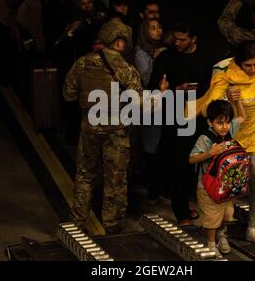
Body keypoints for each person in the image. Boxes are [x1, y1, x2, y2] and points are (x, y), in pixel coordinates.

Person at [63, 22, 168, 234]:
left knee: (85, 174)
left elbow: (68, 94)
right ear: (119, 43)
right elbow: (142, 104)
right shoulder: (126, 70)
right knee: (116, 177)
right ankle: (111, 223)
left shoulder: (83, 63)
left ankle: (77, 221)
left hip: (89, 128)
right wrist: (162, 93)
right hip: (117, 131)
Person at [188, 40, 255, 244]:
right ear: (238, 63)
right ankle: (222, 231)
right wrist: (227, 97)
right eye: (248, 65)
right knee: (230, 182)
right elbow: (210, 107)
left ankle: (252, 227)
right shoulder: (226, 75)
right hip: (233, 135)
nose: (252, 69)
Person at [149, 19, 214, 226]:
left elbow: (214, 87)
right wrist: (174, 90)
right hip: (174, 118)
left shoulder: (206, 58)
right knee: (179, 164)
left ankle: (194, 203)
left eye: (182, 39)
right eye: (175, 38)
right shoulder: (166, 58)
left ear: (193, 39)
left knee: (199, 162)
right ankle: (182, 212)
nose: (177, 42)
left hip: (200, 117)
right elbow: (152, 88)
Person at [189, 99, 246, 258]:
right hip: (207, 185)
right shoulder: (204, 138)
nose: (225, 126)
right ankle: (211, 244)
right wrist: (209, 153)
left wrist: (237, 101)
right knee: (212, 217)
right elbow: (191, 159)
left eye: (227, 122)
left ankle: (222, 236)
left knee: (228, 214)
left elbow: (242, 116)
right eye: (220, 123)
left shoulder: (229, 131)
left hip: (226, 185)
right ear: (210, 122)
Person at [133, 18, 167, 204]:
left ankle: (159, 186)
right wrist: (156, 59)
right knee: (150, 145)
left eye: (159, 26)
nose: (158, 31)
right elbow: (145, 79)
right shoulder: (140, 52)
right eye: (153, 28)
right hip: (148, 103)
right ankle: (151, 189)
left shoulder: (162, 49)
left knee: (160, 145)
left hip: (163, 102)